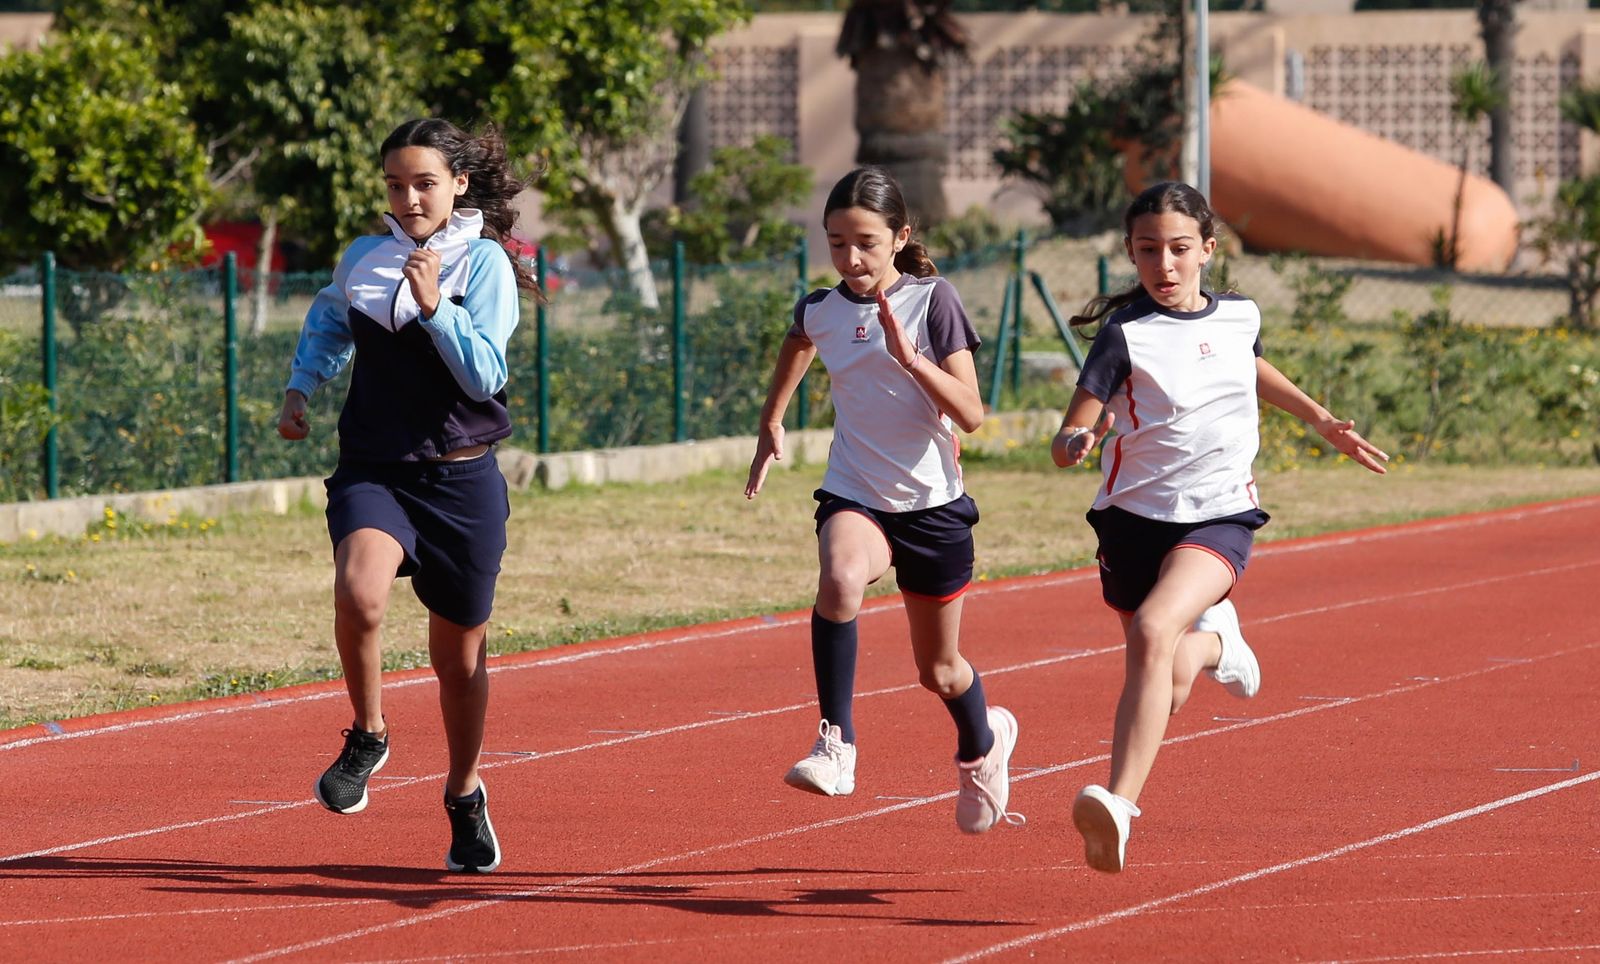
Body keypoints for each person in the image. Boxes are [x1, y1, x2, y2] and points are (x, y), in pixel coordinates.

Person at [1052, 181, 1389, 873]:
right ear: (1131, 253)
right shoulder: (1124, 335)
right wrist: (1074, 444)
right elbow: (1071, 428)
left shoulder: (1239, 316)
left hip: (1219, 514)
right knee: (1167, 681)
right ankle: (1218, 645)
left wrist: (1319, 419)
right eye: (1149, 251)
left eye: (1179, 250)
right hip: (1131, 522)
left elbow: (1251, 365)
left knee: (1151, 630)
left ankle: (1118, 805)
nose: (1165, 265)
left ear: (1208, 249)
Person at [276, 117, 542, 873]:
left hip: (461, 479)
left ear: (458, 184)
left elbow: (485, 374)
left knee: (456, 661)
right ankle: (369, 733)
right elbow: (330, 319)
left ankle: (463, 792)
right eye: (396, 184)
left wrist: (436, 308)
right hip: (375, 466)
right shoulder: (364, 257)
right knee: (359, 593)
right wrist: (302, 384)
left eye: (424, 182)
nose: (409, 197)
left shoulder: (484, 263)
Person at [744, 166, 1023, 834]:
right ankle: (836, 743)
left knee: (940, 670)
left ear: (900, 236)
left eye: (866, 241)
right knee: (839, 579)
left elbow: (973, 413)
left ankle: (982, 743)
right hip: (856, 493)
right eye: (837, 242)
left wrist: (909, 357)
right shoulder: (822, 306)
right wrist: (772, 416)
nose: (851, 258)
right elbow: (801, 339)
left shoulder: (933, 302)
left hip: (933, 509)